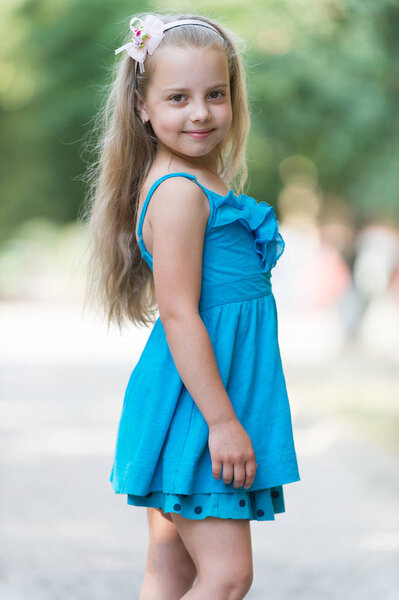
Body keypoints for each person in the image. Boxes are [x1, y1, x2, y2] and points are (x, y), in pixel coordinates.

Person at [82, 11, 301, 600]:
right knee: (228, 578)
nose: (200, 112)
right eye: (177, 97)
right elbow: (179, 314)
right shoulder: (180, 193)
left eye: (216, 94)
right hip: (200, 410)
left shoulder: (203, 182)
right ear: (142, 106)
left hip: (200, 400)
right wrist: (224, 424)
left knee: (172, 573)